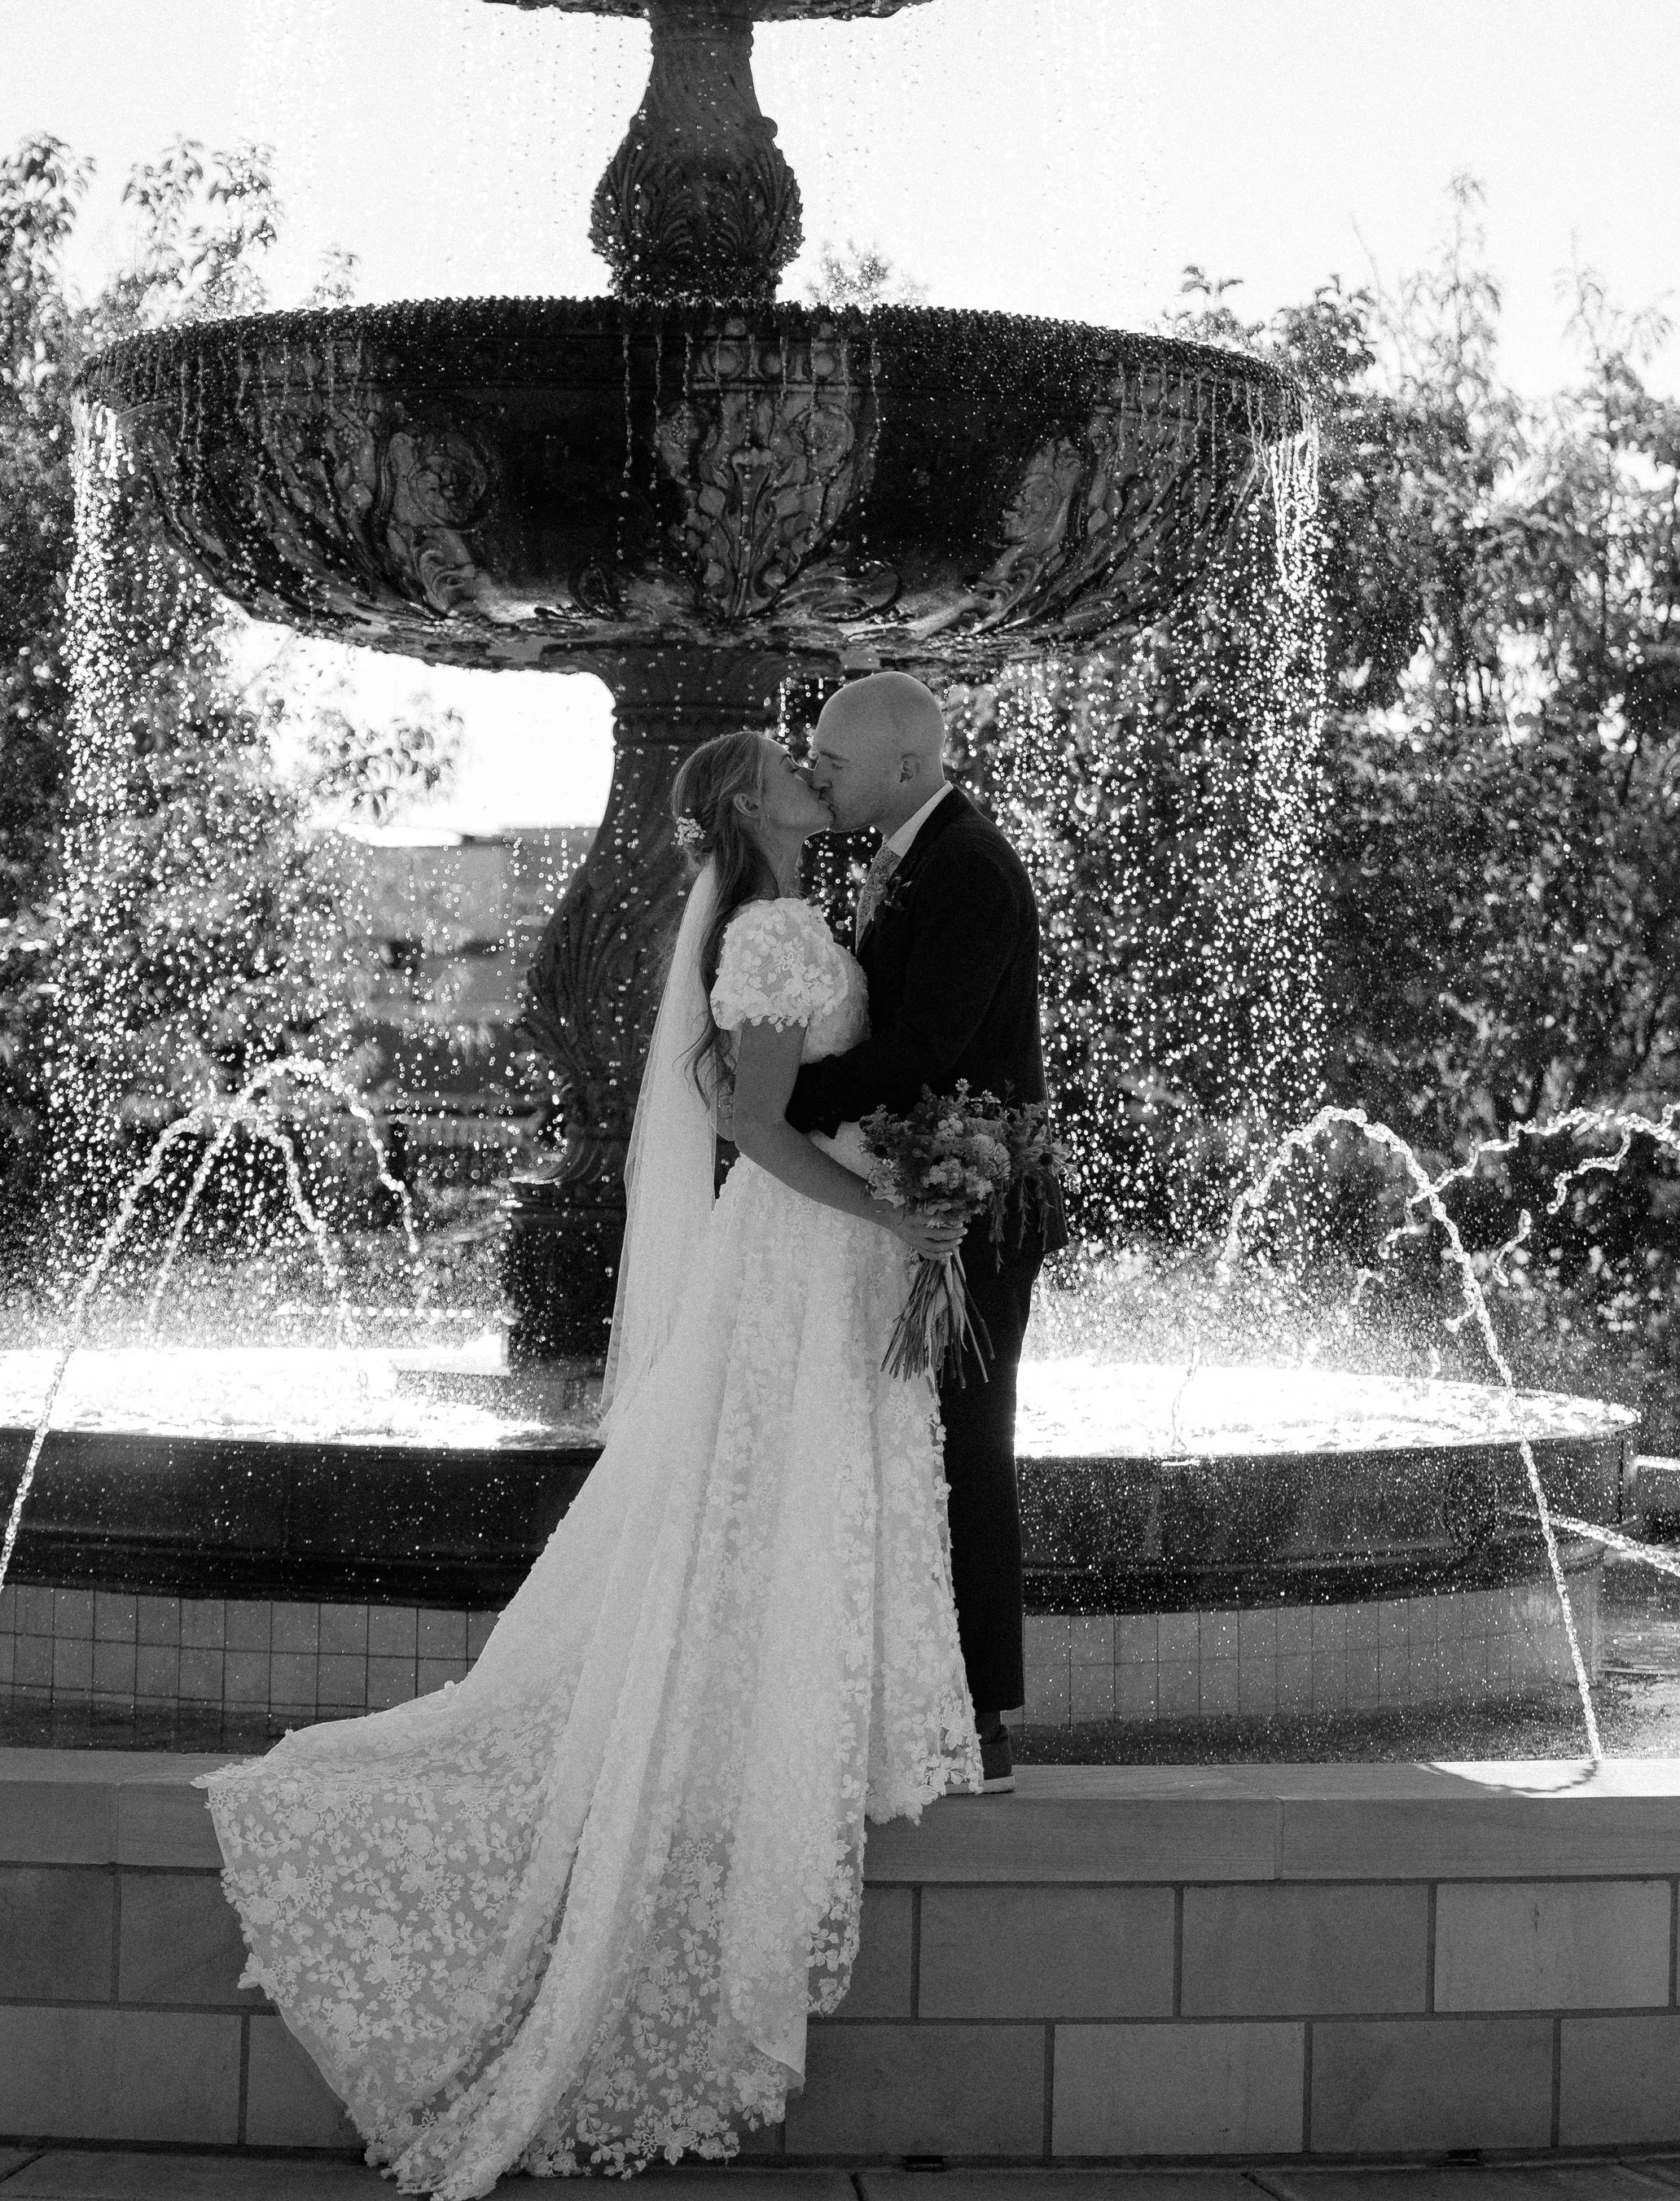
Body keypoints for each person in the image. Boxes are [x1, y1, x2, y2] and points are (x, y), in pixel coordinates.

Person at [200, 729, 978, 2194]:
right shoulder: (767, 927)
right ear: (755, 802)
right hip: (801, 1258)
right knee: (748, 1498)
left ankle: (797, 1711)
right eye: (795, 765)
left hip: (820, 1258)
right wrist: (884, 1215)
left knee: (773, 1502)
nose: (818, 770)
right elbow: (750, 1121)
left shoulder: (797, 917)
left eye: (827, 756)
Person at [789, 670, 1064, 1795]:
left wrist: (777, 1107)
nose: (818, 774)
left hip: (979, 1206)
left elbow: (926, 1045)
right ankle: (919, 1695)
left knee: (967, 1446)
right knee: (921, 1450)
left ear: (903, 764)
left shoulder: (972, 869)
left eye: (834, 760)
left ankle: (984, 1717)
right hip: (928, 1189)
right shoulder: (905, 856)